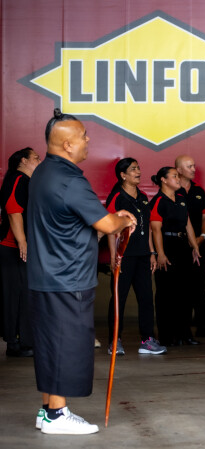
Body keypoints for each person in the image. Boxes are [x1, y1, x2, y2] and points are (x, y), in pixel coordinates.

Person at [27, 109, 136, 434]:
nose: (88, 140)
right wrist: (123, 219)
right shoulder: (70, 180)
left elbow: (73, 223)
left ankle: (47, 410)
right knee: (66, 345)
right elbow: (106, 223)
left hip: (46, 275)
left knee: (50, 344)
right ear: (67, 144)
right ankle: (57, 415)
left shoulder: (43, 173)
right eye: (84, 135)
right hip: (67, 278)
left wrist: (110, 219)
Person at [105, 158, 166, 356]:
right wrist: (114, 257)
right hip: (124, 256)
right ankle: (115, 341)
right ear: (123, 175)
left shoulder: (143, 196)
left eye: (138, 168)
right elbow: (110, 228)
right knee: (119, 299)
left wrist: (152, 252)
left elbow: (146, 227)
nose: (138, 171)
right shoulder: (117, 197)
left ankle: (147, 340)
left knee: (146, 298)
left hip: (142, 256)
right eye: (133, 169)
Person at [149, 167, 201, 347]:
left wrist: (194, 246)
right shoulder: (158, 201)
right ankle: (166, 336)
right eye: (174, 176)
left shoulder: (181, 199)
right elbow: (155, 230)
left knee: (185, 292)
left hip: (182, 246)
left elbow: (188, 225)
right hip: (167, 246)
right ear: (163, 180)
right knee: (166, 294)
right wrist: (160, 254)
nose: (178, 179)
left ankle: (184, 334)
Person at [0, 147, 40, 357]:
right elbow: (13, 210)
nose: (39, 161)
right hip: (12, 248)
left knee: (20, 295)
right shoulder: (18, 179)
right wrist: (22, 242)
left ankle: (18, 341)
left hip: (18, 248)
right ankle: (20, 342)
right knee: (18, 295)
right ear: (23, 161)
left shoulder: (26, 181)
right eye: (35, 158)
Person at [175, 155, 205, 340]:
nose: (194, 169)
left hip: (199, 244)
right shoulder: (173, 190)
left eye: (194, 166)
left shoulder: (199, 191)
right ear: (179, 170)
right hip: (180, 246)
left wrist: (201, 237)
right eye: (189, 166)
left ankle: (203, 327)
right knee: (182, 289)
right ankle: (184, 330)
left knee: (200, 286)